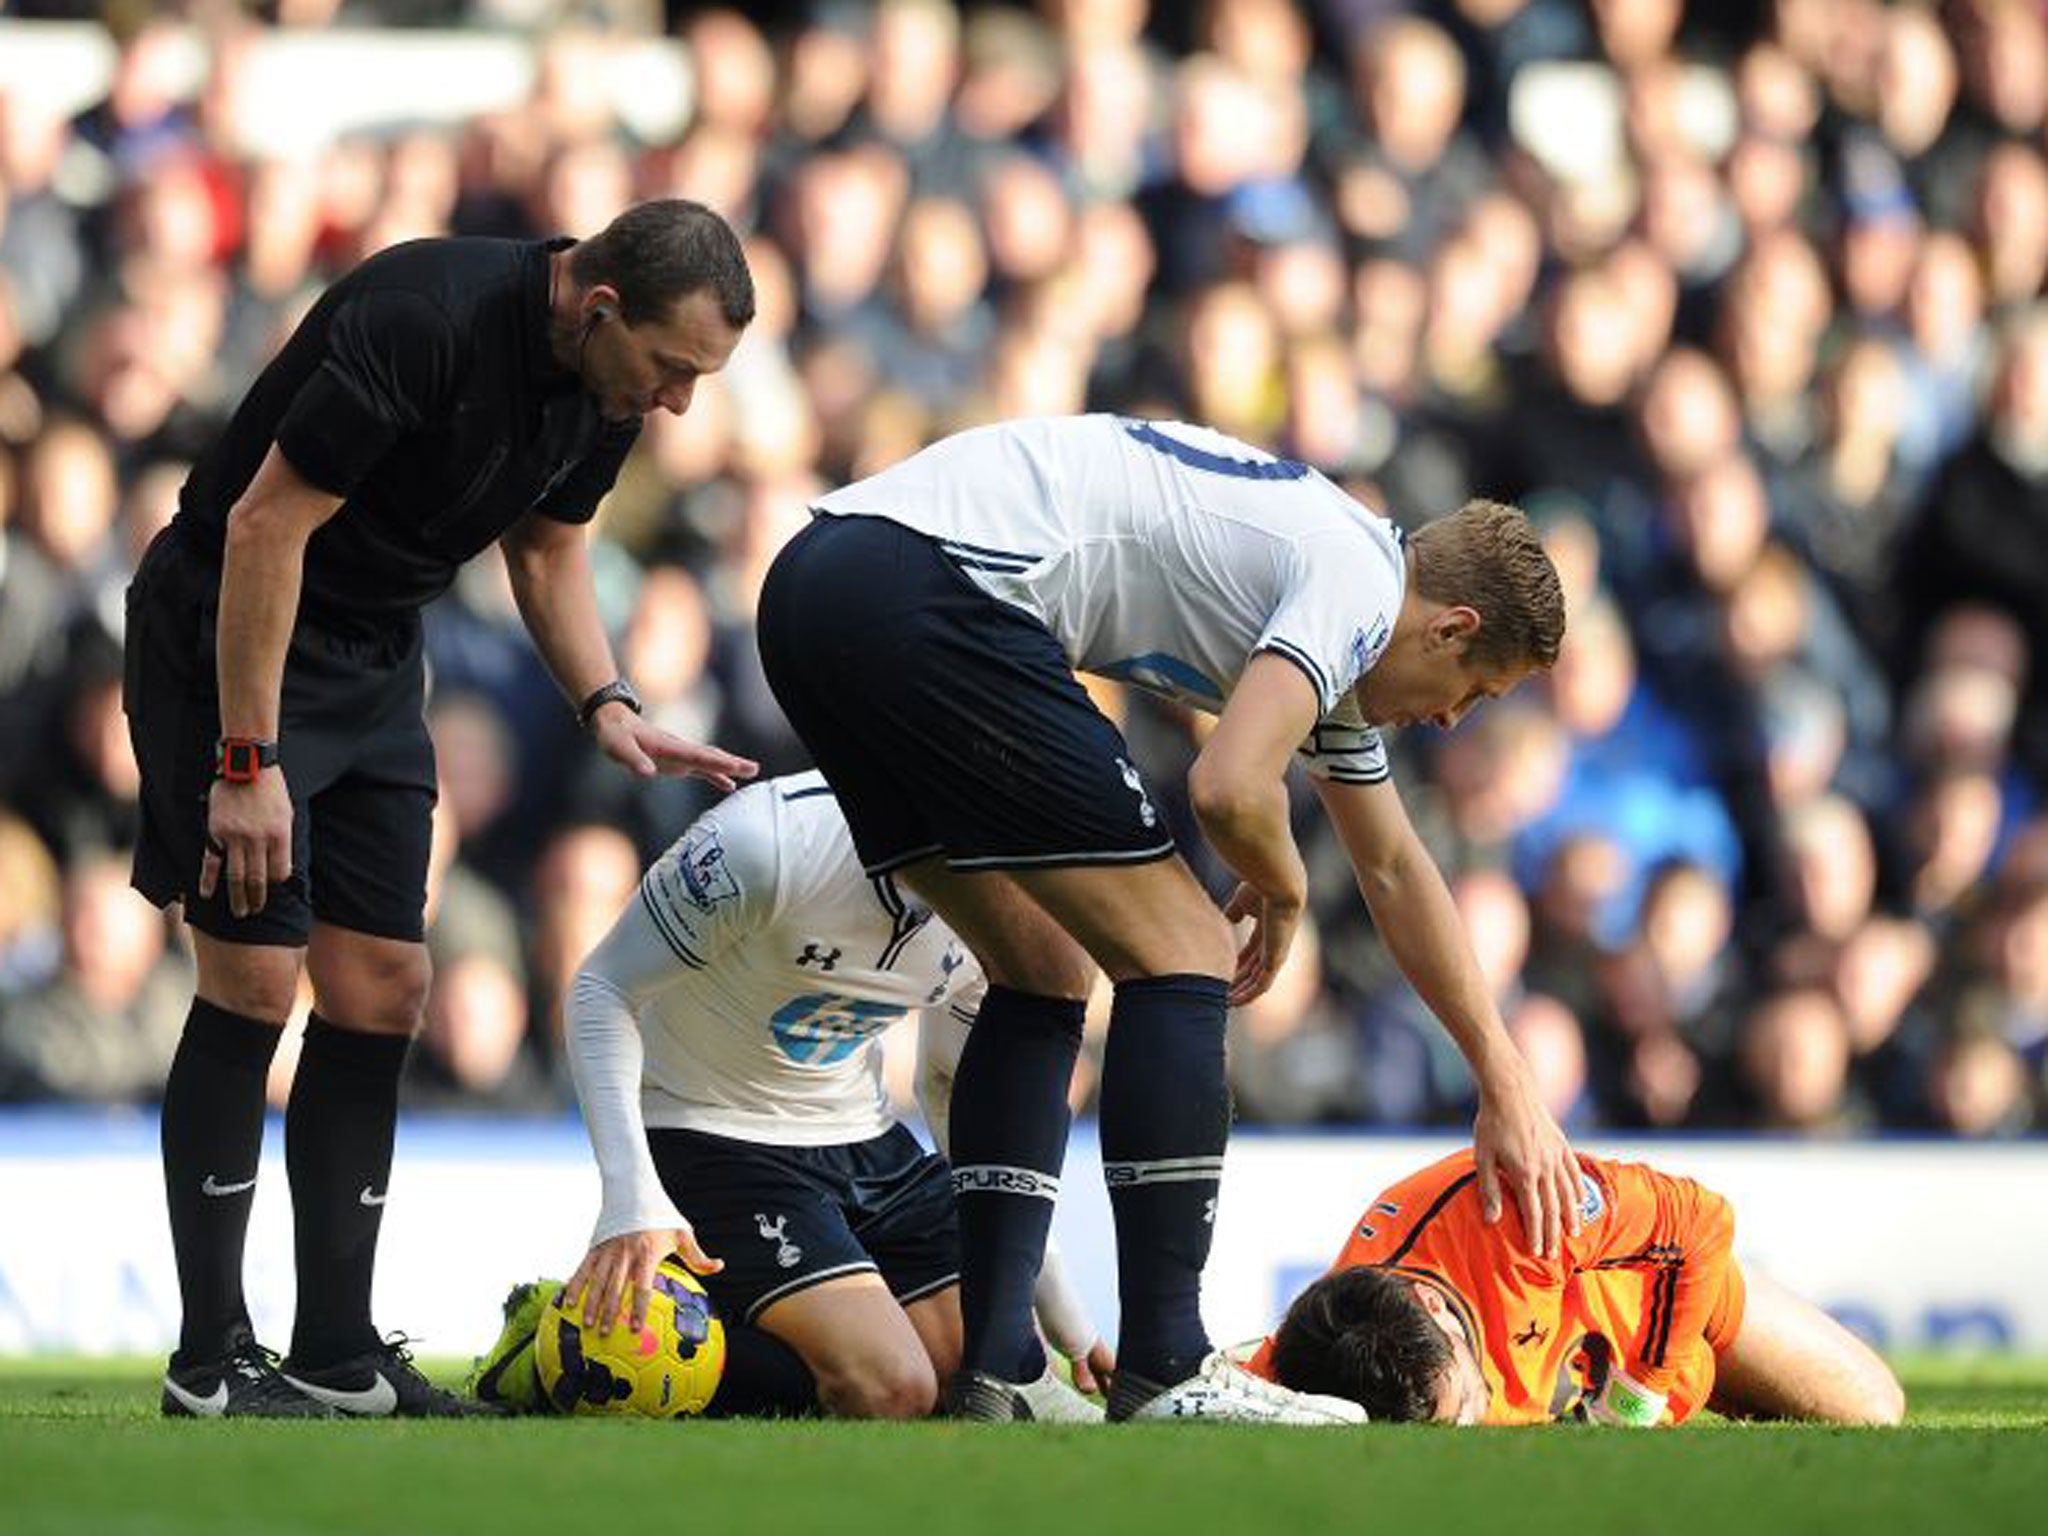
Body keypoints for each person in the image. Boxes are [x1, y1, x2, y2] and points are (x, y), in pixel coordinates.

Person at [753, 414, 1577, 1423]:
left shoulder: (1339, 607)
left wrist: (1501, 1075)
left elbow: (1396, 867)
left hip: (814, 588)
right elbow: (1227, 786)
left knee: (1040, 961)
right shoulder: (1355, 582)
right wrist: (1280, 890)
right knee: (1181, 947)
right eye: (1473, 691)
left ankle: (1001, 1365)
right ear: (1448, 628)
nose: (1452, 720)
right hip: (932, 587)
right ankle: (1166, 1364)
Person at [126, 199, 761, 1418]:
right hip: (233, 628)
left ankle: (335, 1355)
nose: (678, 402)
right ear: (600, 305)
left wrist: (606, 701)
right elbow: (266, 525)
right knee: (255, 978)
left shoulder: (606, 387)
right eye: (673, 368)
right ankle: (208, 1362)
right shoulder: (424, 316)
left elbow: (547, 547)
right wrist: (245, 762)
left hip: (375, 653)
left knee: (385, 988)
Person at [469, 770, 1111, 1421]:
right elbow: (601, 990)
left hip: (866, 1137)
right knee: (893, 1389)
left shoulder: (1014, 893)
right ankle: (567, 1349)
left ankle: (686, 1320)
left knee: (970, 1375)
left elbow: (954, 1084)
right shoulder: (769, 839)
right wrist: (631, 1197)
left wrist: (1061, 1310)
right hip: (709, 1129)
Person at [1250, 1146, 1905, 1427]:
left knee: (1875, 1410)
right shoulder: (1322, 1361)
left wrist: (1638, 1398)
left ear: (1432, 1305)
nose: (1475, 1425)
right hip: (1603, 1383)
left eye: (1470, 1403)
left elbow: (1702, 1219)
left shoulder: (1513, 1213)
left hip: (1677, 1305)